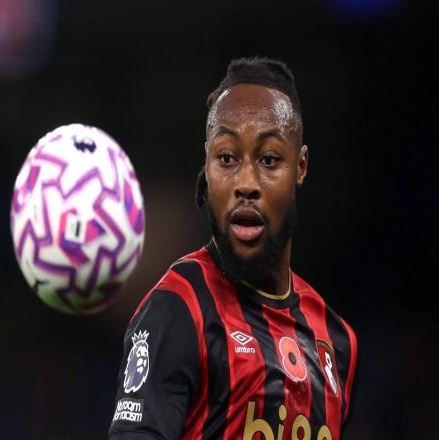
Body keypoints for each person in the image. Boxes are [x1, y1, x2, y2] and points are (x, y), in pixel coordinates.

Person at [108, 57, 358, 440]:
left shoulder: (338, 343)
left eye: (269, 160)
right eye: (227, 158)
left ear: (301, 167)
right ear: (207, 167)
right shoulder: (179, 310)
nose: (246, 183)